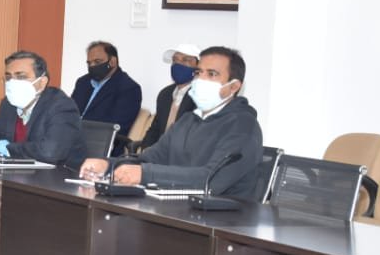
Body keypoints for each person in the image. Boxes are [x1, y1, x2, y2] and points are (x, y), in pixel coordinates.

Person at [79, 46, 263, 200]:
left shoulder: (243, 127)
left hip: (223, 221)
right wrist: (108, 165)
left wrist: (145, 174)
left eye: (212, 74)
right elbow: (151, 157)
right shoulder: (189, 119)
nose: (201, 79)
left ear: (234, 86)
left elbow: (211, 179)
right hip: (178, 209)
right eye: (199, 72)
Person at [0, 50, 86, 168]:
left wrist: (9, 149)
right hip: (19, 174)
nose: (12, 82)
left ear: (42, 82)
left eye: (21, 77)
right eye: (8, 77)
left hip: (60, 176)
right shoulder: (8, 105)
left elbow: (50, 152)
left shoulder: (60, 106)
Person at [70, 41, 142, 152]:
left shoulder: (128, 88)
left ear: (112, 61)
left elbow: (116, 127)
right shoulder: (83, 82)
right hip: (71, 140)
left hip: (99, 146)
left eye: (97, 62)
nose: (92, 66)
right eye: (89, 63)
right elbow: (70, 112)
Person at [137, 43, 200, 151]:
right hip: (159, 154)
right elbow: (155, 129)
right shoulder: (165, 94)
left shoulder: (201, 96)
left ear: (198, 67)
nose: (179, 64)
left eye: (186, 60)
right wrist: (145, 150)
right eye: (175, 60)